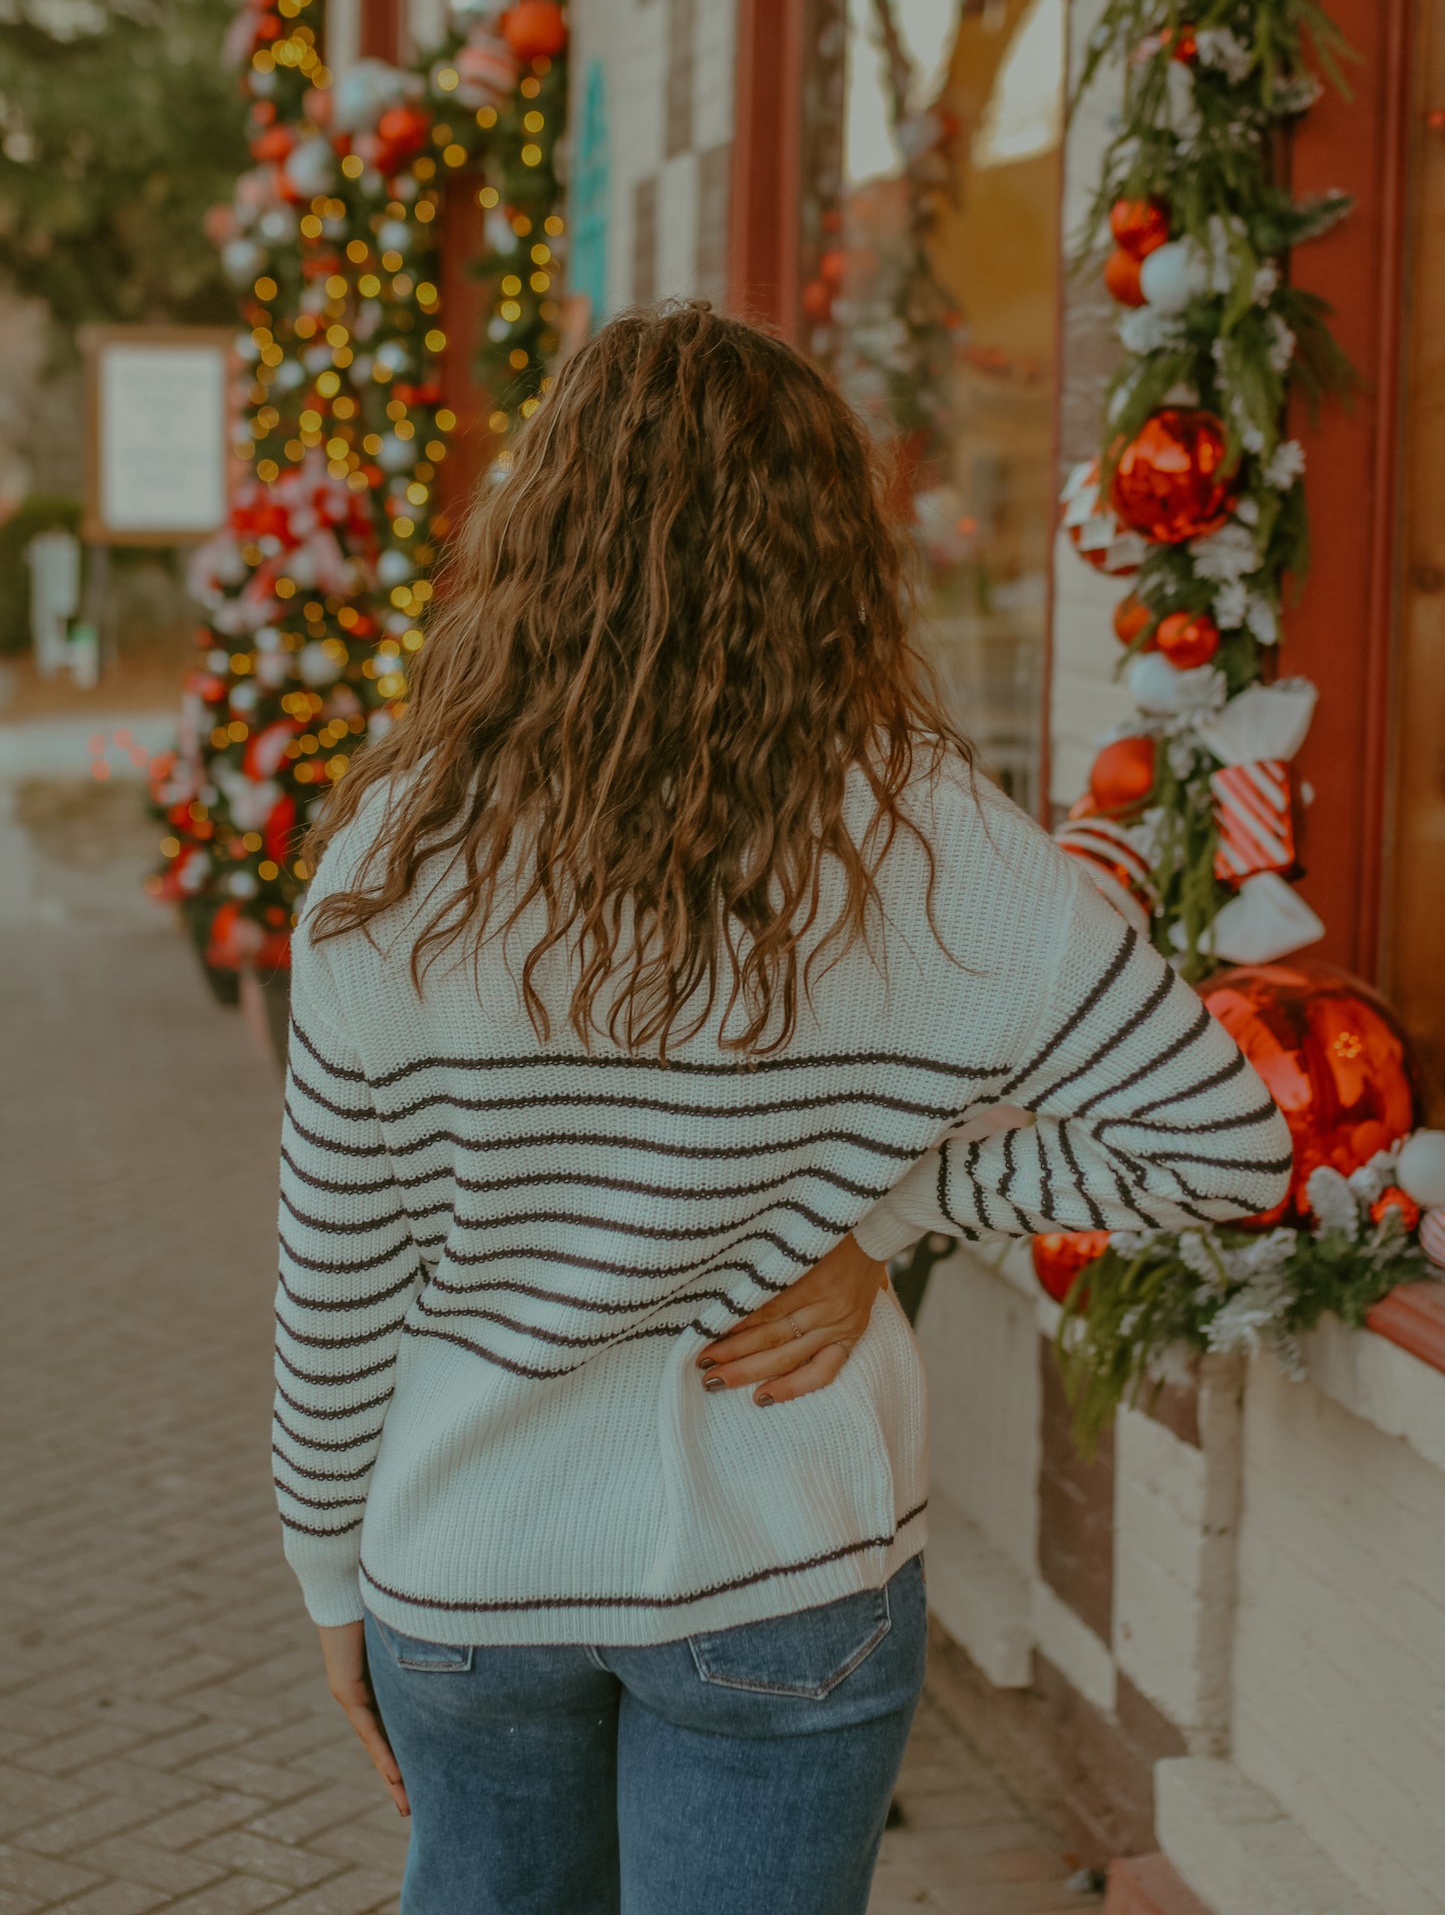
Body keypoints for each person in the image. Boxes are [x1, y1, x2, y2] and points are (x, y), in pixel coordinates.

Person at [273, 302, 1291, 1915]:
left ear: (536, 533)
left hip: (466, 1568)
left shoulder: (394, 861)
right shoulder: (931, 841)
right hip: (783, 1569)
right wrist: (887, 1218)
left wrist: (329, 1574)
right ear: (828, 555)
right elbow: (1224, 1139)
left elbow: (337, 1284)